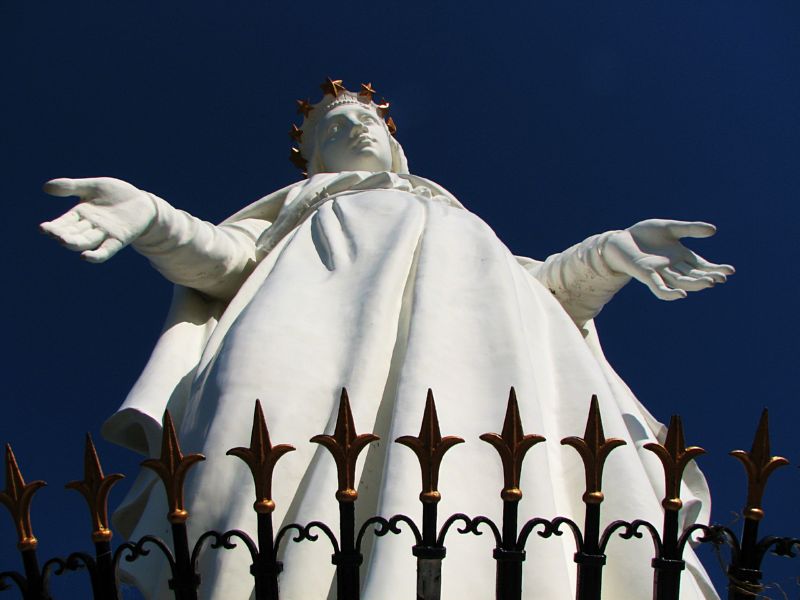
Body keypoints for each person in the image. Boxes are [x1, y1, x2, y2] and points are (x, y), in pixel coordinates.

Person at [40, 80, 732, 600]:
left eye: (369, 120)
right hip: (303, 330)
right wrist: (152, 216)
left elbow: (548, 292)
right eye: (340, 124)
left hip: (476, 341)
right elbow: (218, 258)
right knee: (253, 475)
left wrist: (613, 253)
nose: (360, 128)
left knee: (501, 476)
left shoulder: (455, 218)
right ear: (312, 155)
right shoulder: (298, 210)